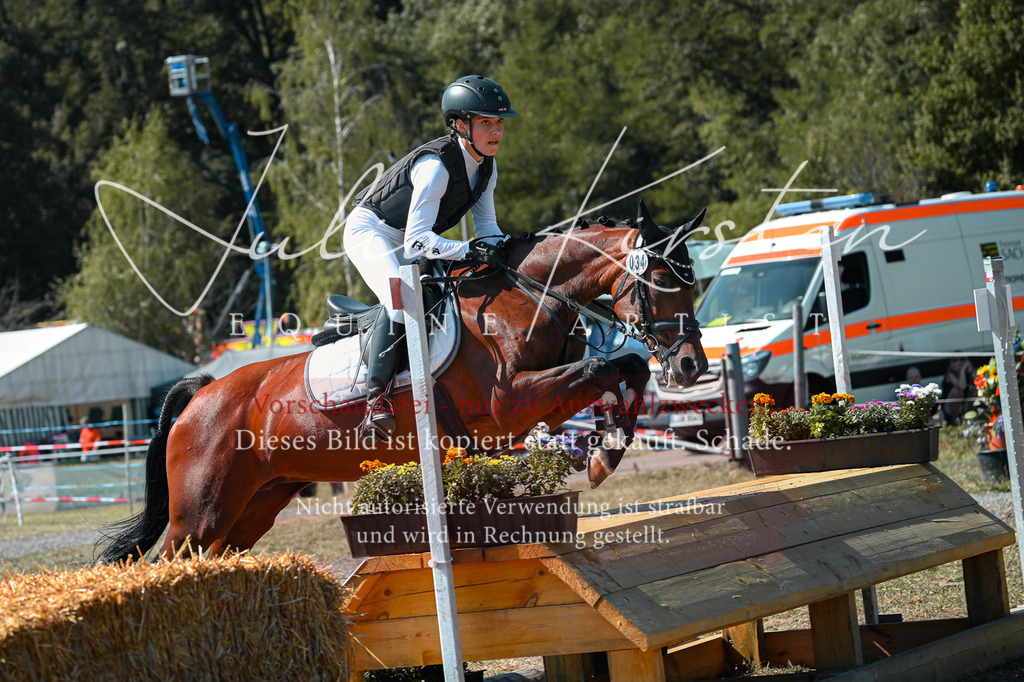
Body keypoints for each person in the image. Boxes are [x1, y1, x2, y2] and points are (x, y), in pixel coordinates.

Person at [343, 75, 517, 444]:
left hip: (414, 237)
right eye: (486, 122)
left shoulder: (487, 166)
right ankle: (376, 402)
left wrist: (512, 251)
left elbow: (487, 228)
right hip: (372, 232)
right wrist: (468, 249)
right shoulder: (436, 166)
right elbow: (418, 240)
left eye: (499, 122)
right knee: (401, 301)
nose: (496, 130)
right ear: (460, 125)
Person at [941, 356, 975, 425]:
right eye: (955, 360)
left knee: (974, 390)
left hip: (965, 405)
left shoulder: (968, 372)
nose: (959, 362)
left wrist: (970, 371)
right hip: (950, 408)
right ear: (952, 363)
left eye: (962, 359)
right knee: (957, 390)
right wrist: (963, 369)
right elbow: (962, 386)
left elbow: (979, 384)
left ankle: (970, 419)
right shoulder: (950, 374)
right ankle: (955, 421)